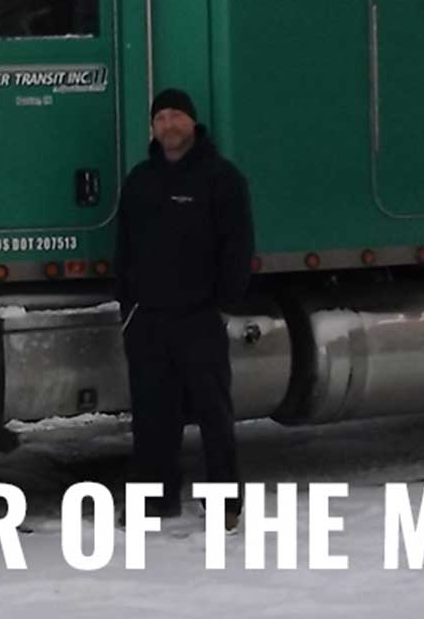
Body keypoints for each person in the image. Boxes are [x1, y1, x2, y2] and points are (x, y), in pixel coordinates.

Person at [114, 88, 256, 529]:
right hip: (149, 319)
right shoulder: (141, 181)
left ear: (192, 123)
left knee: (213, 413)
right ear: (153, 128)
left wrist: (223, 305)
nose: (169, 125)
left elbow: (238, 247)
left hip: (199, 317)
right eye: (161, 118)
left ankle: (224, 505)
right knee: (152, 415)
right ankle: (155, 499)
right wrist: (129, 306)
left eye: (177, 116)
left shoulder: (221, 178)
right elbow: (124, 248)